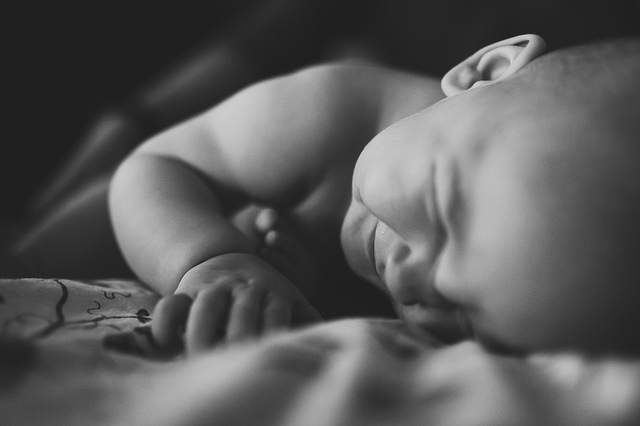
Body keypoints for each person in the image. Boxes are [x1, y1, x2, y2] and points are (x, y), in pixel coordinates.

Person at [106, 33, 640, 357]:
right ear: (484, 72)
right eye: (438, 211)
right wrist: (213, 257)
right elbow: (154, 167)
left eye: (464, 317)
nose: (406, 278)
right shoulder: (317, 117)